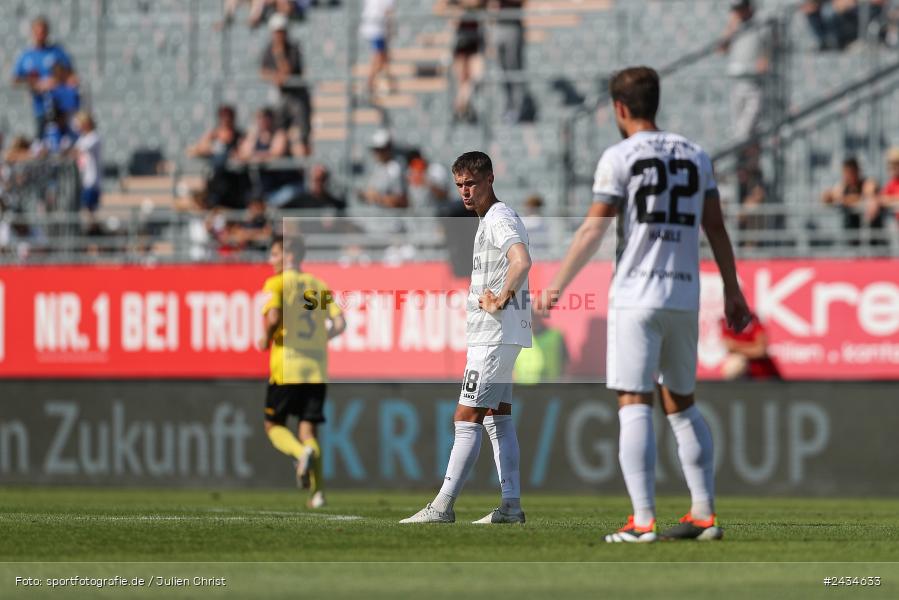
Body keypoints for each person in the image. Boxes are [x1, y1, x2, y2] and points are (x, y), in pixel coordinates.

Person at [536, 66, 751, 542]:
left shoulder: (619, 157)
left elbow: (594, 229)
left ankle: (643, 521)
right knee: (682, 404)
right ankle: (704, 514)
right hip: (684, 294)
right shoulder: (696, 154)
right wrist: (732, 290)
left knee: (633, 401)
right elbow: (716, 227)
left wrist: (556, 286)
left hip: (637, 294)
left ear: (619, 108)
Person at [401, 151, 532, 525]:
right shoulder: (490, 219)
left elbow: (522, 260)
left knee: (465, 415)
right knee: (497, 417)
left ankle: (442, 506)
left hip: (494, 334)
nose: (465, 191)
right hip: (503, 334)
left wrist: (501, 298)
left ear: (490, 179)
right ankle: (510, 506)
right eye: (459, 184)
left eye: (471, 183)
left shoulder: (498, 218)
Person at [258, 235, 346, 508]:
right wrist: (320, 340)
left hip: (287, 365)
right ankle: (317, 494)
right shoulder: (318, 285)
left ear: (288, 256)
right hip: (316, 369)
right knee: (308, 431)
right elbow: (340, 324)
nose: (271, 260)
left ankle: (300, 453)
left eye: (275, 254)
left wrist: (265, 339)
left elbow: (274, 317)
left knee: (273, 425)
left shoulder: (277, 283)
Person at [12, 16, 78, 137]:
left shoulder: (57, 52)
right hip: (39, 107)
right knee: (41, 139)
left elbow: (71, 76)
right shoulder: (26, 55)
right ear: (32, 33)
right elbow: (15, 79)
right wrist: (36, 83)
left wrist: (56, 81)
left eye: (43, 32)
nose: (40, 35)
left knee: (62, 140)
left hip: (60, 108)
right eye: (38, 32)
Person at [260, 13, 312, 156]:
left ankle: (305, 161)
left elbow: (287, 71)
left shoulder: (293, 48)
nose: (278, 35)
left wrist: (279, 54)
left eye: (281, 31)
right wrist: (275, 76)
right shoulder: (269, 48)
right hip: (281, 96)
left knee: (302, 134)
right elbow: (263, 71)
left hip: (297, 97)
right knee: (279, 130)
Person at [719, 0, 770, 142]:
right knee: (739, 129)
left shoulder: (760, 23)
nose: (738, 12)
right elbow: (721, 49)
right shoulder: (734, 26)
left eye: (740, 8)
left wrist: (765, 59)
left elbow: (769, 46)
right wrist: (731, 27)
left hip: (755, 82)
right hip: (737, 81)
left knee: (746, 130)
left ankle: (745, 152)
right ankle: (745, 154)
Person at [821, 157, 884, 246]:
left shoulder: (867, 183)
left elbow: (869, 194)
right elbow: (828, 197)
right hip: (852, 235)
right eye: (845, 172)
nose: (847, 176)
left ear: (857, 171)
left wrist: (845, 199)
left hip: (871, 235)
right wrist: (830, 196)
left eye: (850, 172)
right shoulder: (843, 186)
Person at [451, 0, 486, 123]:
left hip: (476, 37)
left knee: (476, 77)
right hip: (461, 37)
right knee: (462, 79)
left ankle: (460, 106)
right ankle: (462, 108)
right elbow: (440, 9)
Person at [719, 313, 780, 380]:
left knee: (737, 361)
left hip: (763, 375)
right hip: (744, 376)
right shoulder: (726, 323)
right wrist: (752, 347)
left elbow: (760, 350)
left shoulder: (754, 322)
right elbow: (729, 346)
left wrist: (736, 346)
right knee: (734, 363)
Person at [513, 312, 567, 385]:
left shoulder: (556, 336)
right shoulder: (516, 339)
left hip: (550, 388)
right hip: (523, 388)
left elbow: (565, 364)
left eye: (533, 314)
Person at [358, 129, 407, 208]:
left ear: (388, 149)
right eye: (375, 150)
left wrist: (377, 198)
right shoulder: (377, 167)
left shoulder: (395, 168)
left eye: (380, 150)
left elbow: (401, 200)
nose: (377, 153)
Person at [359, 0, 396, 99]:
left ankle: (380, 83)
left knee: (382, 56)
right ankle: (370, 84)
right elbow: (388, 12)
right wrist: (390, 31)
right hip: (377, 28)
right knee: (379, 56)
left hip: (374, 27)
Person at [72, 111, 101, 217]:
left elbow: (77, 151)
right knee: (86, 210)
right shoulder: (82, 138)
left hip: (92, 180)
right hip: (84, 179)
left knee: (90, 210)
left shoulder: (94, 137)